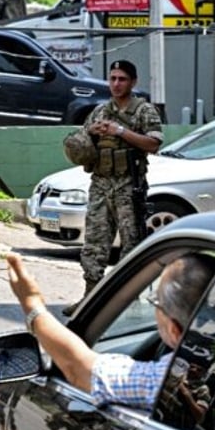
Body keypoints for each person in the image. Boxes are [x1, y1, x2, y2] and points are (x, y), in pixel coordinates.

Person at [5, 252, 215, 410]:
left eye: (156, 301)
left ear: (173, 329)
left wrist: (31, 304)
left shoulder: (157, 381)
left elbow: (77, 367)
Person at [64, 60, 164, 316]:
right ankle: (90, 300)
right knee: (94, 244)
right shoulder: (99, 111)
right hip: (100, 184)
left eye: (122, 79)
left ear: (133, 82)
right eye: (113, 78)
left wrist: (120, 131)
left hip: (129, 186)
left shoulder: (143, 110)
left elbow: (153, 143)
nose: (116, 84)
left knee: (131, 245)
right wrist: (93, 133)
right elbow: (80, 144)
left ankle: (126, 302)